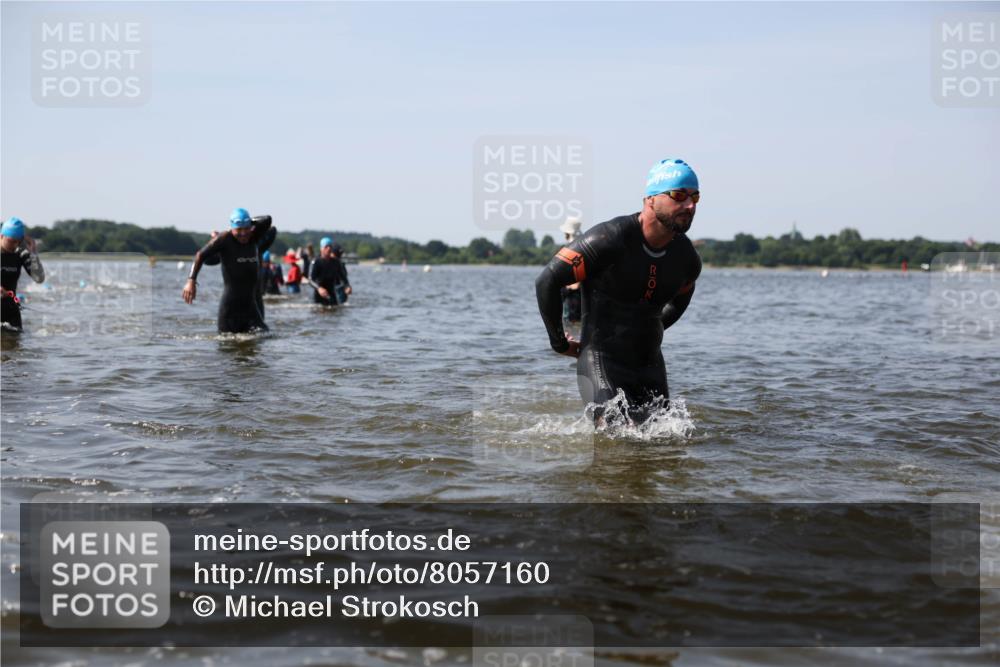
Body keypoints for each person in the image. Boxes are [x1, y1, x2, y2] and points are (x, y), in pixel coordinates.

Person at [535, 158, 702, 424]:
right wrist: (560, 344)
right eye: (679, 195)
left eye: (695, 196)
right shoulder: (609, 239)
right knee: (614, 438)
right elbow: (548, 280)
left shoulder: (686, 258)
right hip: (602, 359)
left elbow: (681, 299)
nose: (690, 205)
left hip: (649, 364)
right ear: (650, 199)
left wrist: (654, 327)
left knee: (666, 438)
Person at [181, 208, 273, 333]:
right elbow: (200, 255)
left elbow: (267, 219)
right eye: (239, 229)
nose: (243, 233)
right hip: (230, 310)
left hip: (250, 307)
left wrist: (246, 222)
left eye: (246, 228)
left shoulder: (254, 237)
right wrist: (191, 280)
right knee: (228, 345)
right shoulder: (224, 239)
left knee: (264, 335)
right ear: (232, 228)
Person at [1, 217, 45, 332]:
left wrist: (33, 253)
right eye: (11, 241)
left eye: (18, 241)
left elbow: (39, 278)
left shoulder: (21, 253)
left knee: (15, 349)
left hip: (11, 311)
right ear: (1, 236)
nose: (14, 245)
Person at [309, 237, 352, 306]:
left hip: (331, 293)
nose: (328, 248)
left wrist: (347, 286)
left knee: (335, 311)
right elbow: (311, 280)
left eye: (330, 246)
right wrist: (319, 288)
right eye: (326, 247)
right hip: (319, 294)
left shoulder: (336, 262)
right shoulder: (316, 262)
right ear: (321, 249)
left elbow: (343, 277)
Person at [558, 216, 583, 323]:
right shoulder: (584, 249)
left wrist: (569, 287)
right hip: (580, 298)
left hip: (573, 297)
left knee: (570, 325)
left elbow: (577, 283)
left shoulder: (571, 253)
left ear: (568, 234)